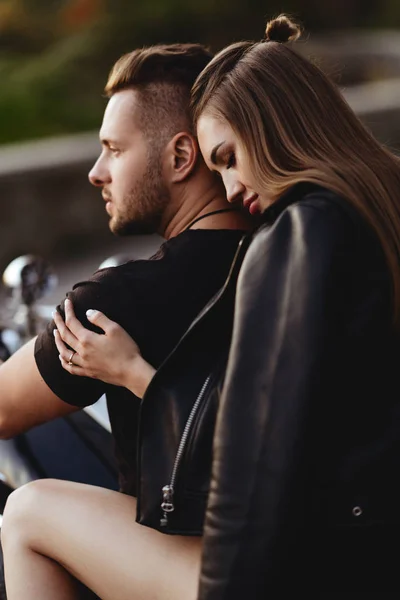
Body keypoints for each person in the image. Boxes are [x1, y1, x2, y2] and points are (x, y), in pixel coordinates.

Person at [46, 13, 400, 598]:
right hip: (371, 551)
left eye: (228, 158)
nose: (230, 189)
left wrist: (136, 375)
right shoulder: (377, 213)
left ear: (275, 130)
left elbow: (261, 454)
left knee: (32, 509)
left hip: (323, 562)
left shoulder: (301, 233)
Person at [0, 43, 253, 599]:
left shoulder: (124, 301)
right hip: (313, 541)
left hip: (227, 566)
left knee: (26, 511)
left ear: (181, 156)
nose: (96, 173)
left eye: (114, 149)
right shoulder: (283, 254)